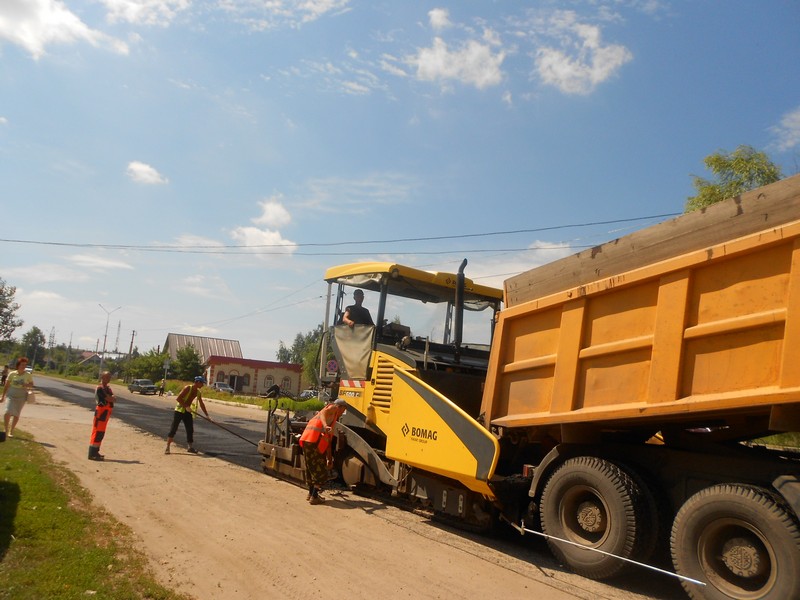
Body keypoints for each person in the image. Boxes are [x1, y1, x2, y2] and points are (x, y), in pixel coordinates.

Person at [298, 398, 348, 504]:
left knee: (311, 468)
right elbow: (323, 412)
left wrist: (329, 458)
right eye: (343, 410)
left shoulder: (332, 418)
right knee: (320, 471)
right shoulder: (333, 408)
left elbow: (328, 440)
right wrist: (325, 425)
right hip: (314, 441)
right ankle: (314, 496)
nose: (342, 413)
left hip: (308, 440)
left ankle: (310, 494)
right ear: (340, 407)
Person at [165, 376, 210, 455]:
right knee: (174, 428)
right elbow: (178, 398)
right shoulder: (188, 388)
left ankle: (190, 447)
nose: (203, 385)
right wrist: (186, 406)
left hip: (187, 412)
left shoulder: (198, 392)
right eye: (202, 383)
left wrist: (207, 415)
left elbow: (202, 404)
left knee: (190, 429)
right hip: (179, 411)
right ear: (198, 382)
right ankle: (167, 447)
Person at [1, 357, 34, 438]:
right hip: (11, 395)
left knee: (16, 414)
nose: (23, 366)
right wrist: (3, 396)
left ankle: (11, 430)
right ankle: (6, 429)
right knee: (7, 412)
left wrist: (26, 385)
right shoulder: (12, 374)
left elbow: (31, 384)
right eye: (22, 365)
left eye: (25, 365)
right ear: (18, 365)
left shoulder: (28, 375)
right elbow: (6, 385)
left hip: (21, 396)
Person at [88, 371, 116, 461]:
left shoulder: (108, 388)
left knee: (101, 433)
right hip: (101, 412)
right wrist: (111, 398)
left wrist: (111, 398)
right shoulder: (100, 388)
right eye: (107, 377)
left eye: (110, 377)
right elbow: (109, 398)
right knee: (97, 432)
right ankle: (92, 453)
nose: (109, 379)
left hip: (106, 412)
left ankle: (96, 451)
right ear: (102, 377)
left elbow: (113, 398)